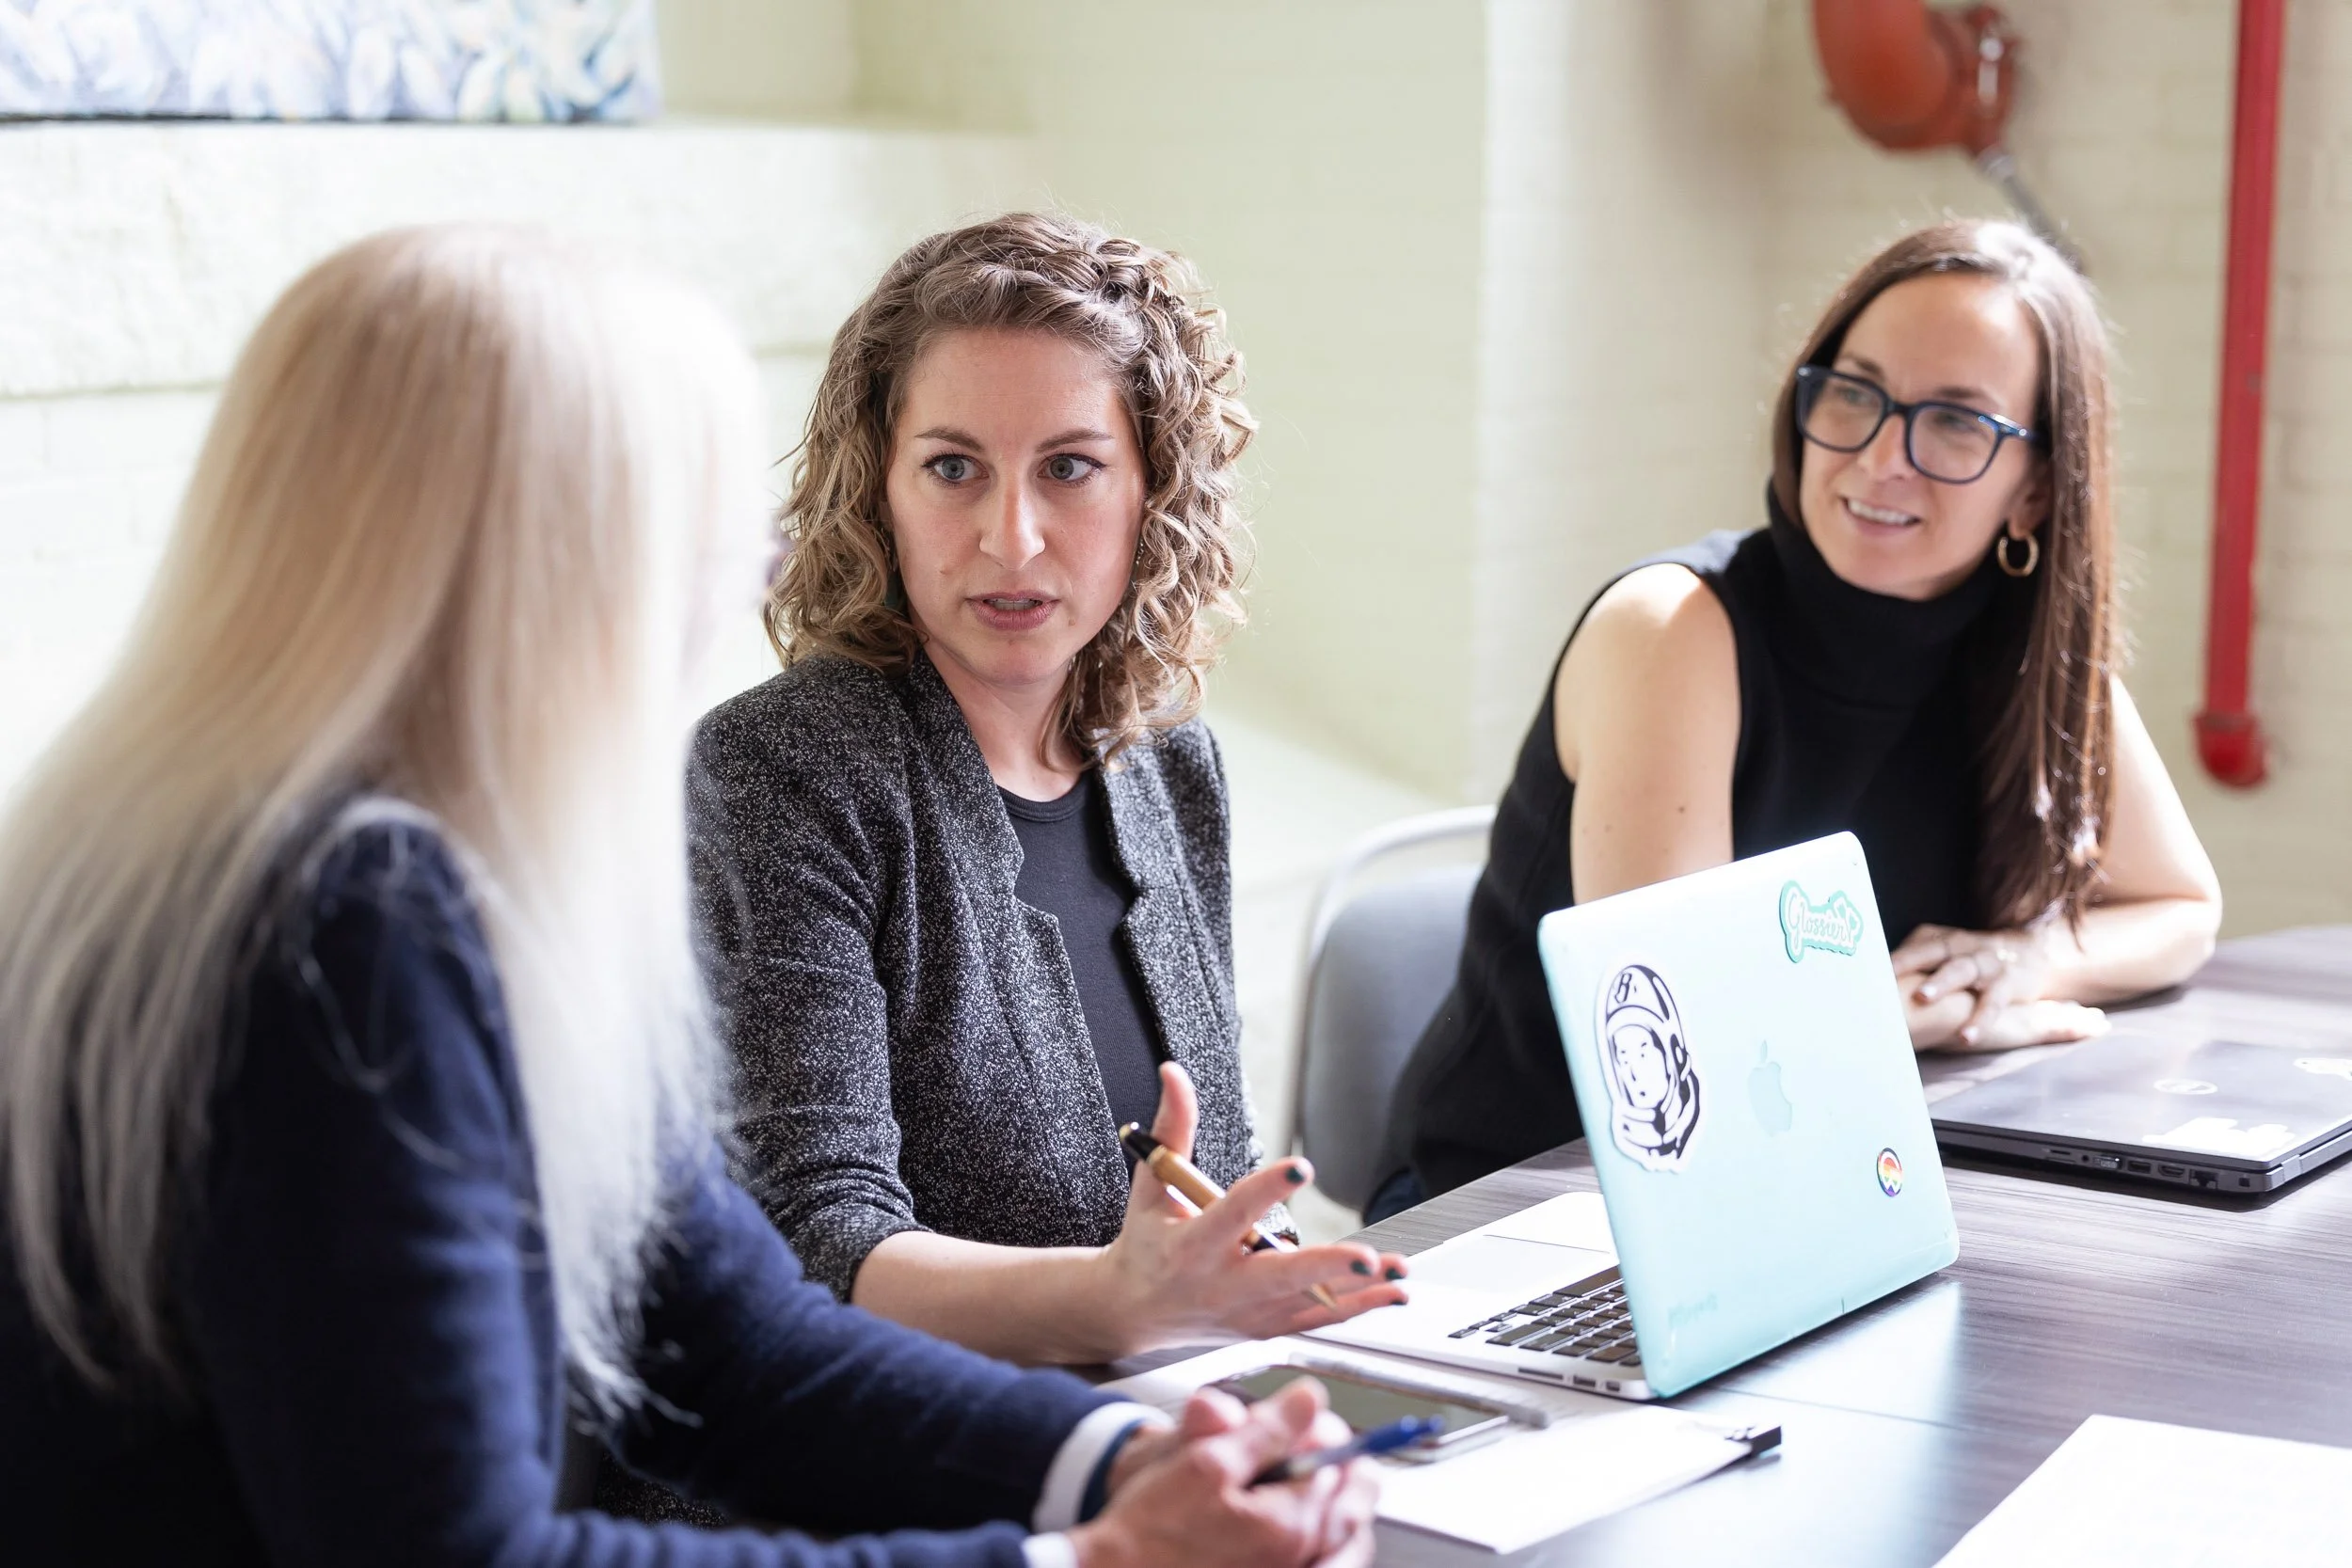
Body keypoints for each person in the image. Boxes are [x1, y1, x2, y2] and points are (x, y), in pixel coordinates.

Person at [0, 225, 1377, 1567]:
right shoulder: (346, 924)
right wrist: (1085, 1552)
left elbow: (733, 1333)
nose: (739, 582)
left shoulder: (419, 862)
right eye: (699, 538)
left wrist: (1118, 1461)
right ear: (537, 562)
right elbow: (452, 1545)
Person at [1373, 218, 2222, 1217]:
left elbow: (2182, 910)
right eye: (1856, 392)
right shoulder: (1675, 627)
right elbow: (1671, 1014)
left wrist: (2020, 961)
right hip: (1537, 1201)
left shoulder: (2028, 659)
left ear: (2033, 489)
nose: (1880, 457)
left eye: (1956, 422)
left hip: (1817, 1171)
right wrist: (1890, 1012)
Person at [689, 212, 1407, 1366]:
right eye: (952, 467)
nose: (1010, 540)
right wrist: (1124, 1300)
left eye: (1069, 467)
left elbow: (1203, 1195)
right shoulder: (780, 770)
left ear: (1151, 491)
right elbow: (812, 1246)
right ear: (880, 488)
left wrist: (1284, 1293)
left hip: (1161, 1401)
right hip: (893, 1480)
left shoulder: (1173, 764)